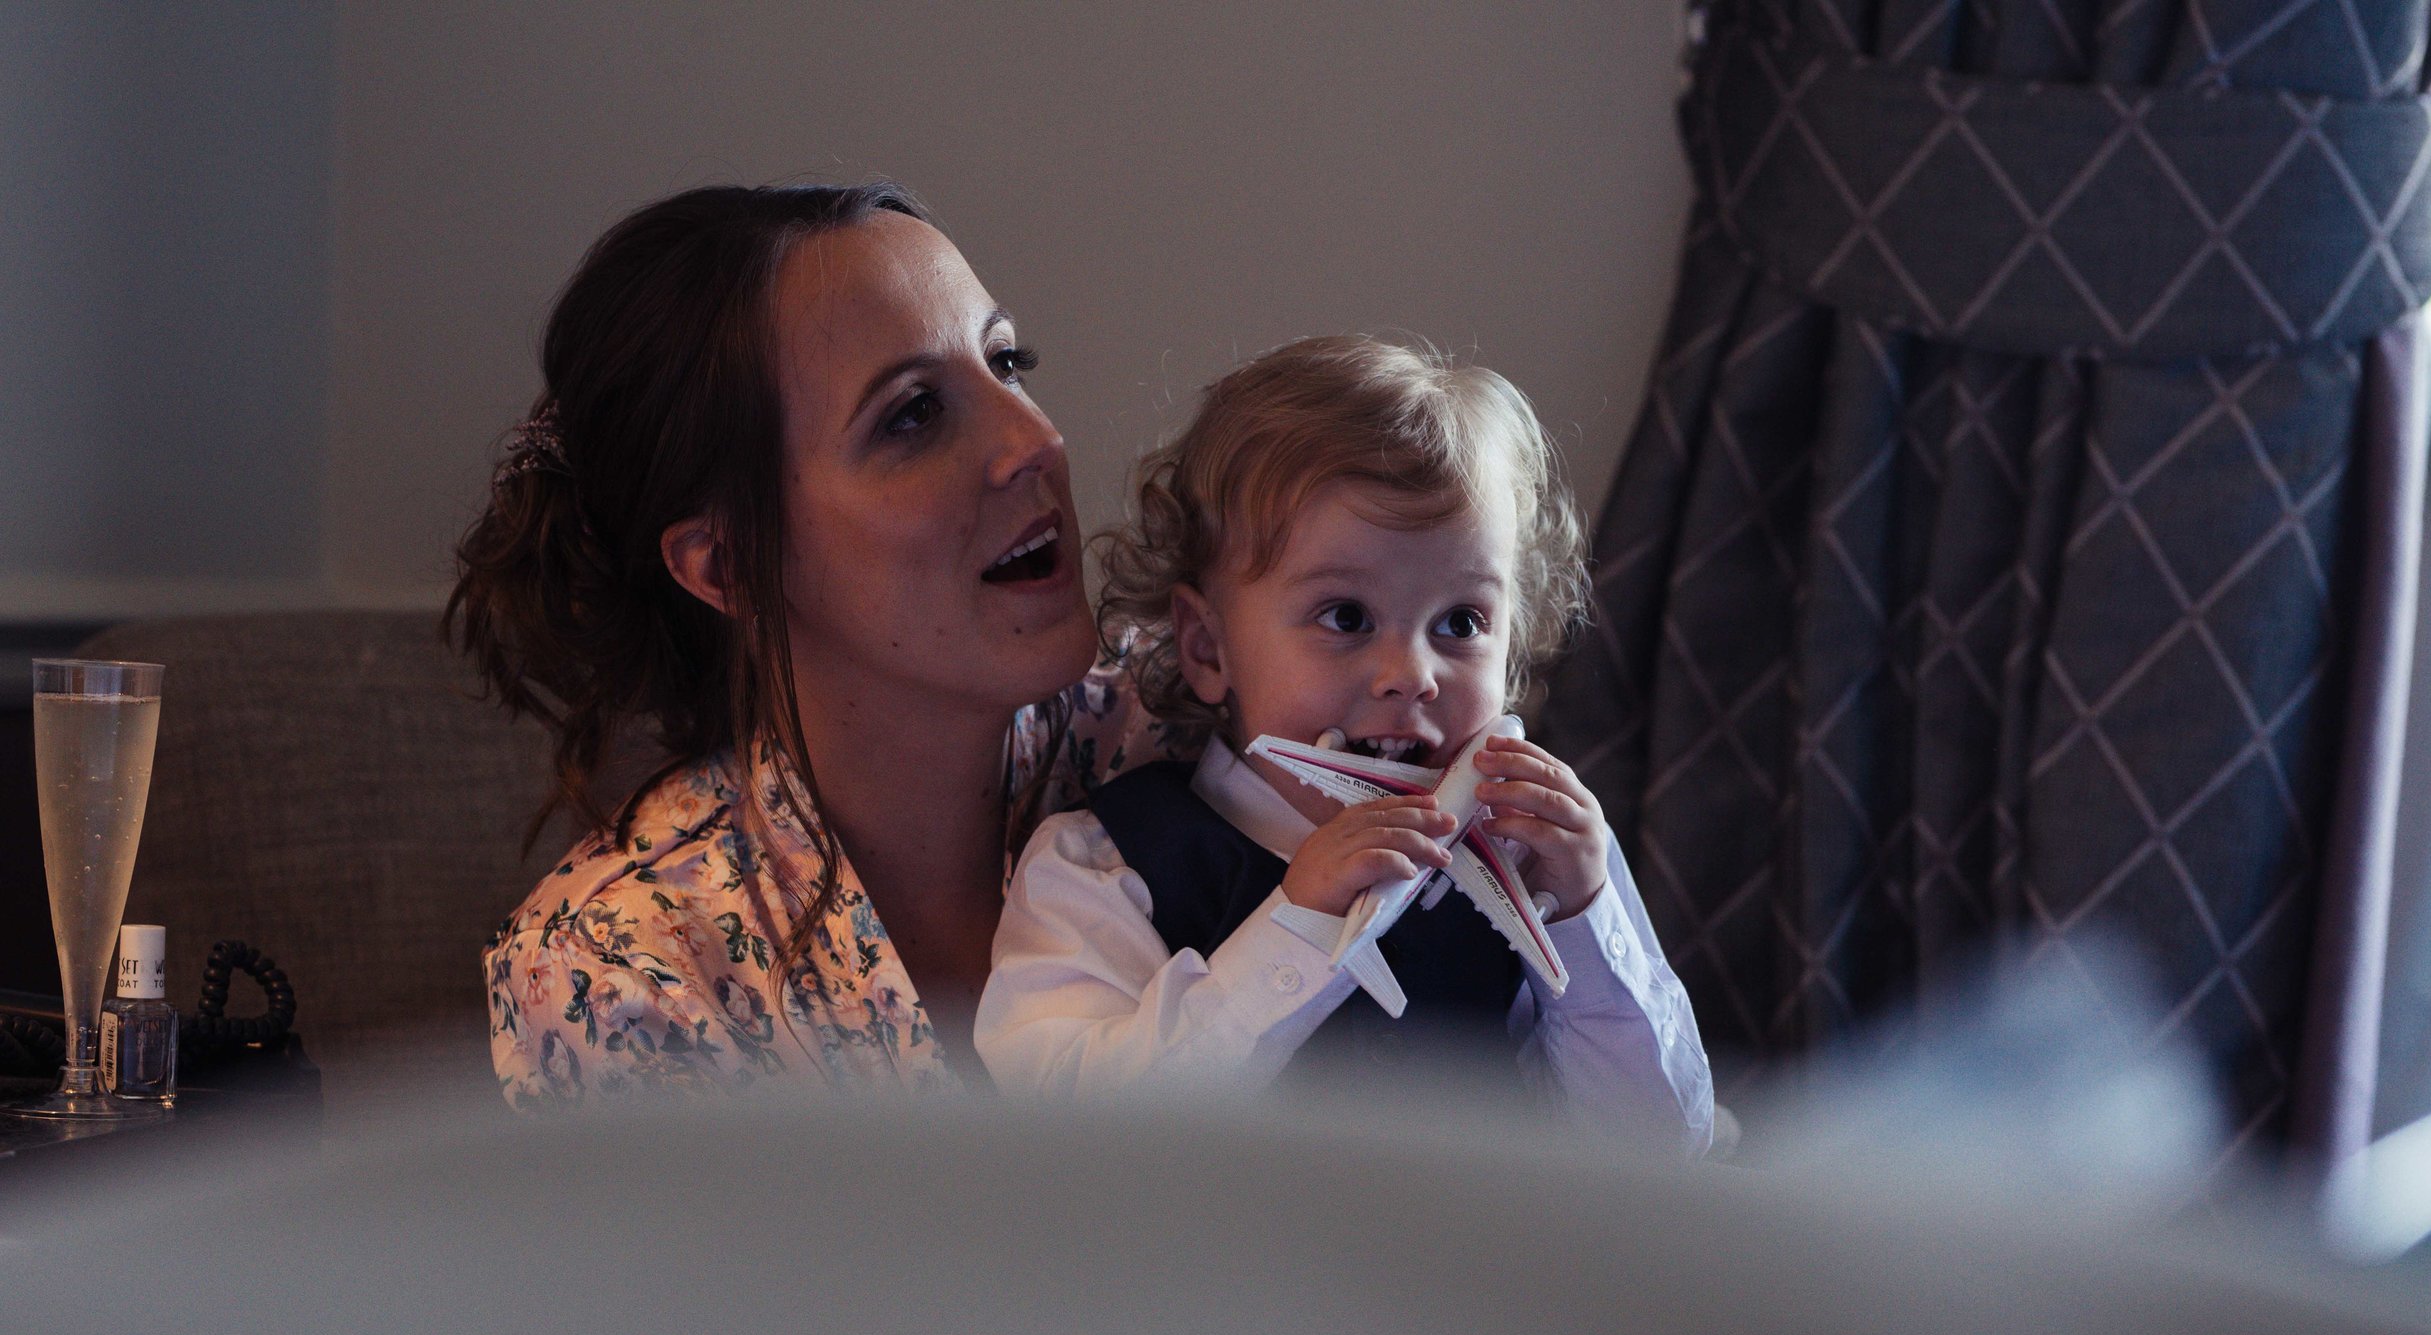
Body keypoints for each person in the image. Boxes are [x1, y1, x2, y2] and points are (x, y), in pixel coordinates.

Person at [451, 184, 1174, 1107]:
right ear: (731, 567)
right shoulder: (623, 967)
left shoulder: (1203, 733)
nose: (1035, 441)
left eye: (1007, 363)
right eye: (913, 414)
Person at [975, 337, 1713, 1144]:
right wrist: (1301, 922)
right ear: (1207, 648)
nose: (1412, 674)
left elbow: (1663, 1152)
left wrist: (1583, 918)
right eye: (1347, 617)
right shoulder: (1106, 868)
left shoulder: (1533, 877)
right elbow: (1074, 1149)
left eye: (1462, 622)